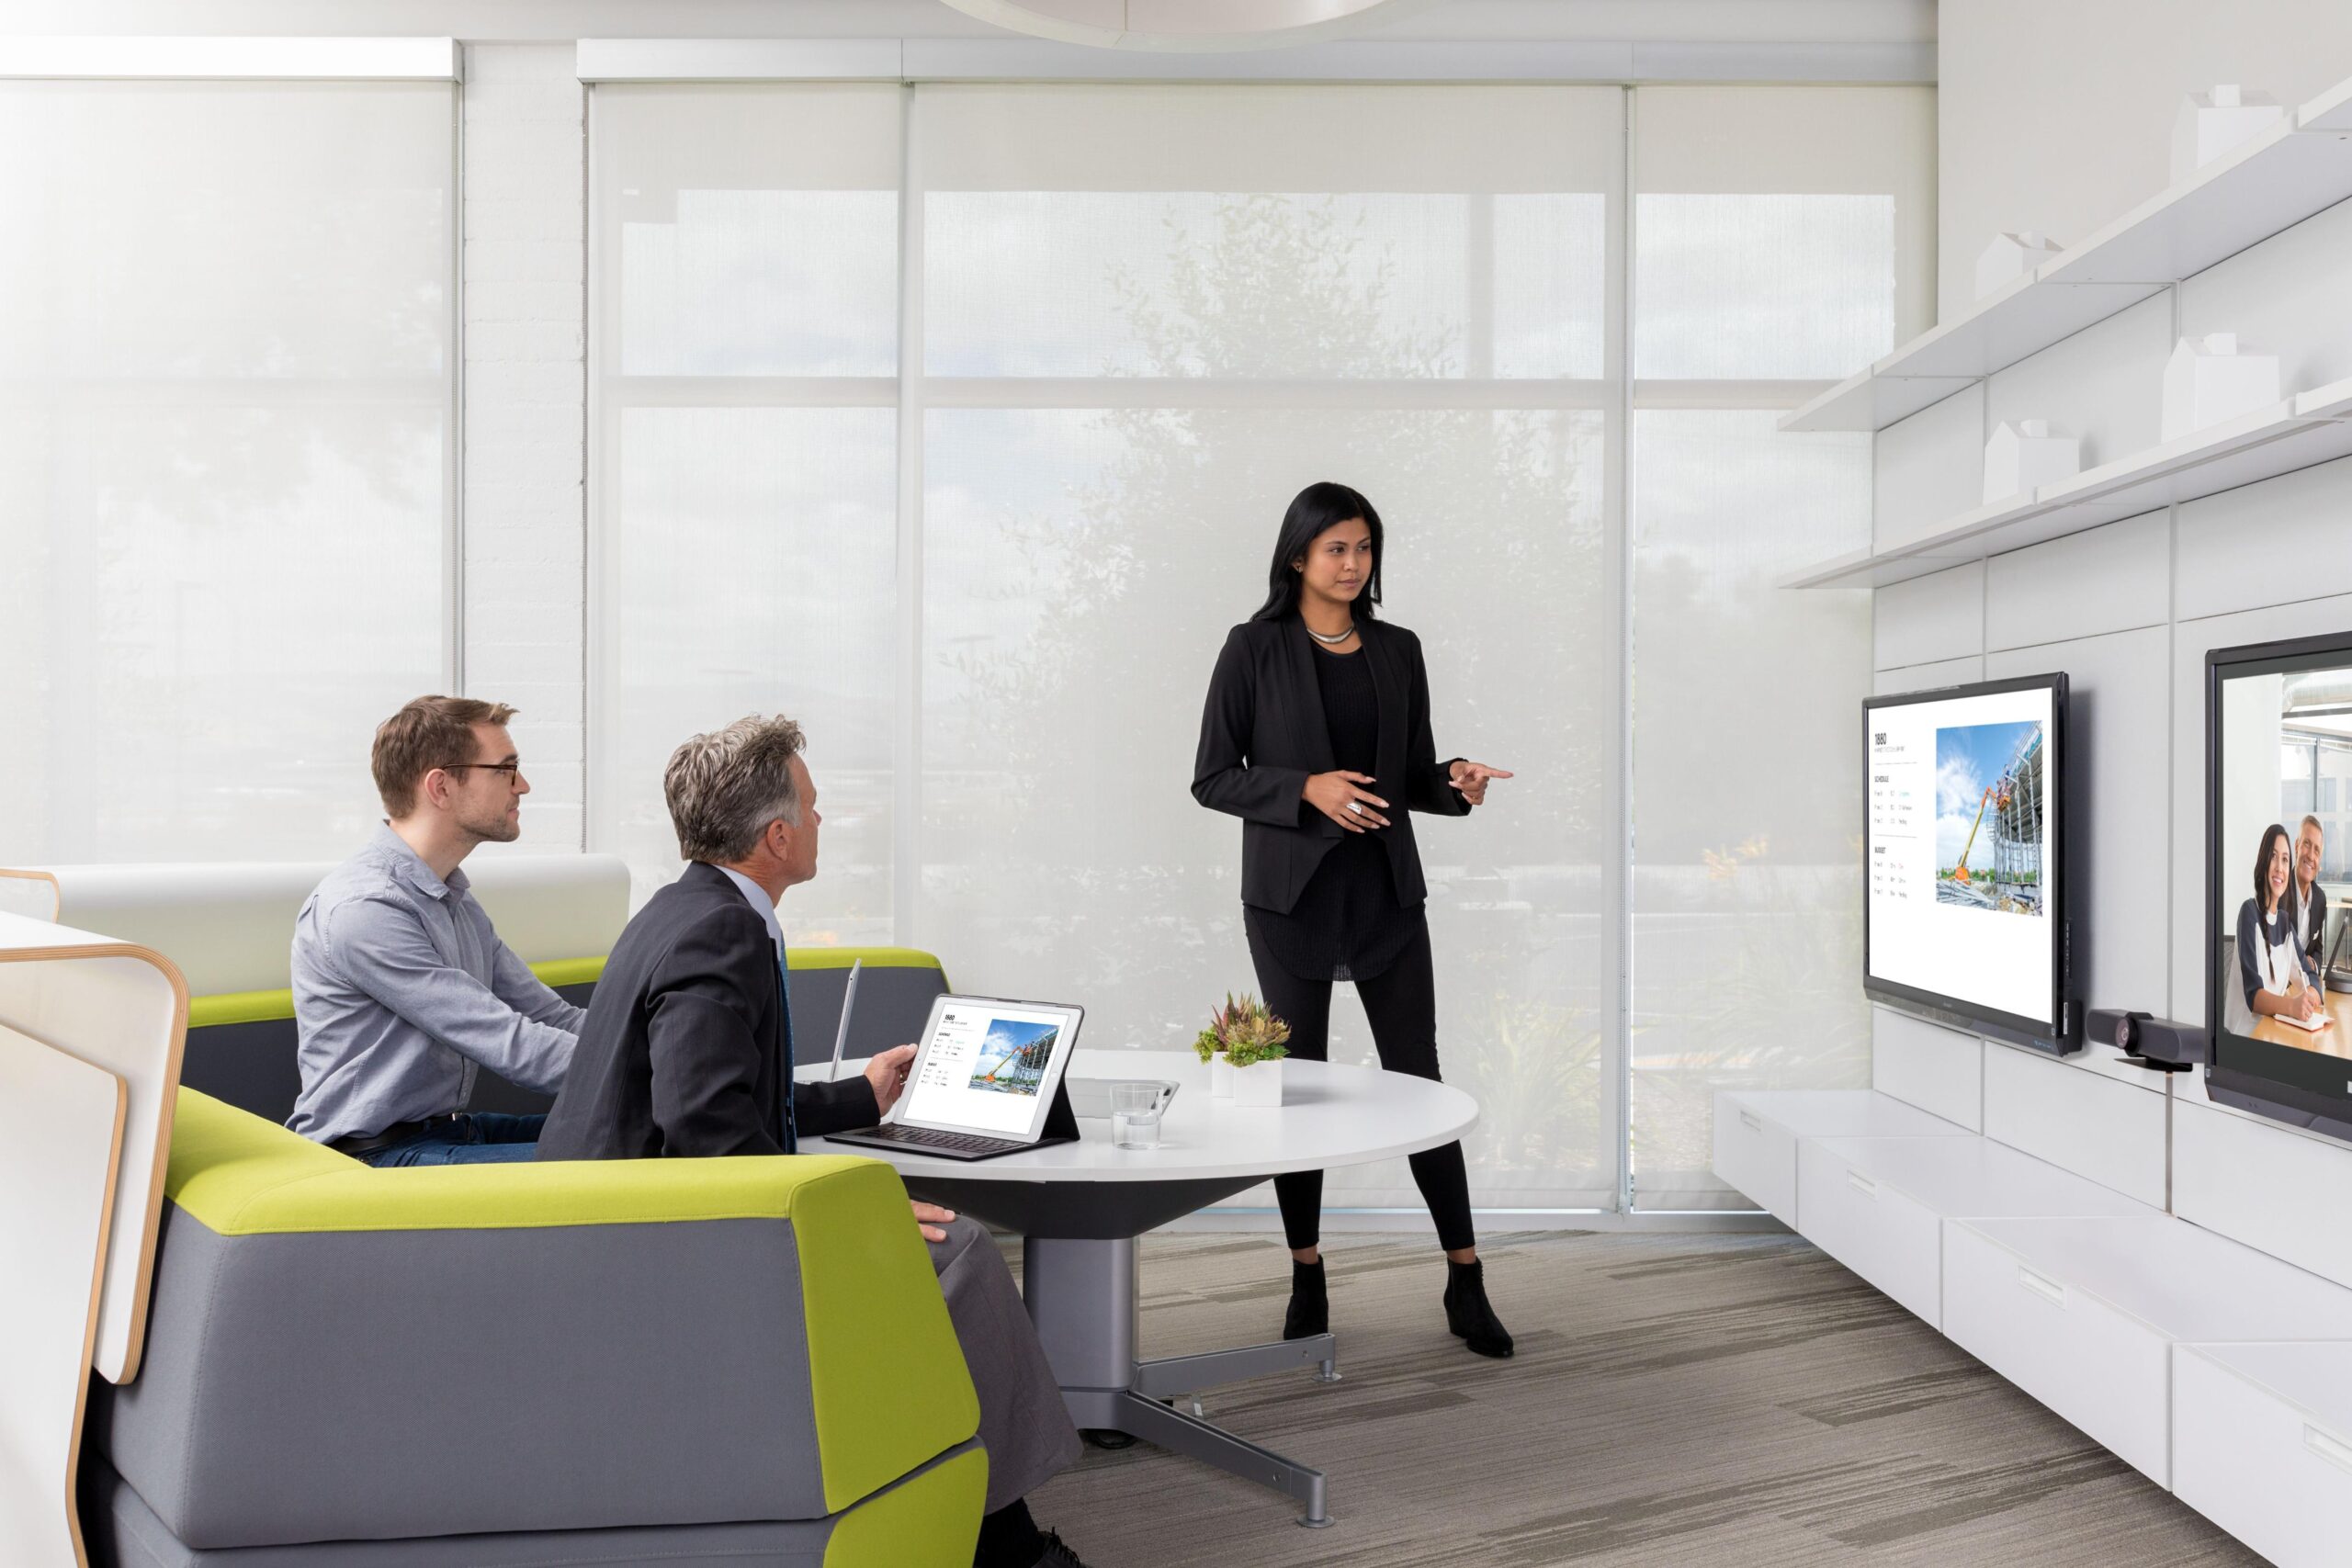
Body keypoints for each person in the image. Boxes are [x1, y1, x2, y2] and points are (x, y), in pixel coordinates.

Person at [537, 716, 1090, 1568]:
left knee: (935, 1243)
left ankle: (987, 1515)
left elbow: (714, 1095)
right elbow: (704, 1126)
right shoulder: (721, 931)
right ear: (777, 834)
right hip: (651, 1246)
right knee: (962, 1251)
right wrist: (846, 1218)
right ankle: (1005, 1540)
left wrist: (857, 1094)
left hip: (626, 1216)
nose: (825, 823)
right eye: (817, 807)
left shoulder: (685, 908)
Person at [1191, 480, 1516, 1360]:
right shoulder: (1253, 649)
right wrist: (1304, 787)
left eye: (1365, 547)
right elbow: (1214, 776)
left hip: (1385, 896)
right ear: (1298, 555)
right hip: (1290, 899)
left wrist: (1455, 782)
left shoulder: (1398, 649)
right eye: (1336, 548)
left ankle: (1465, 1274)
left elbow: (1408, 774)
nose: (1353, 563)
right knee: (1297, 1084)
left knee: (1421, 1078)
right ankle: (1307, 1271)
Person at [288, 696, 584, 1165]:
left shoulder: (454, 902)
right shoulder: (366, 907)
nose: (522, 786)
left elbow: (552, 1018)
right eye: (505, 769)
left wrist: (666, 1051)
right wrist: (660, 1073)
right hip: (371, 1158)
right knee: (618, 1154)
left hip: (446, 1132)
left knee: (640, 1131)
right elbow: (509, 1042)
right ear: (441, 787)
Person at [2230, 821, 2327, 1036]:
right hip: (2246, 1036)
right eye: (2273, 857)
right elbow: (2254, 997)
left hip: (2273, 1033)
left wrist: (2310, 995)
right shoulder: (2249, 912)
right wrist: (2292, 1005)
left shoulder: (2284, 923)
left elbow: (2310, 974)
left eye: (2285, 860)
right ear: (2263, 861)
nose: (2279, 868)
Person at [2291, 813, 2330, 986]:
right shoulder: (2279, 888)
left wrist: (2313, 964)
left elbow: (2318, 951)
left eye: (2317, 850)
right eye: (2307, 844)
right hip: (2277, 989)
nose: (2311, 856)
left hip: (2303, 987)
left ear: (2319, 860)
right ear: (2297, 846)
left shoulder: (2320, 899)